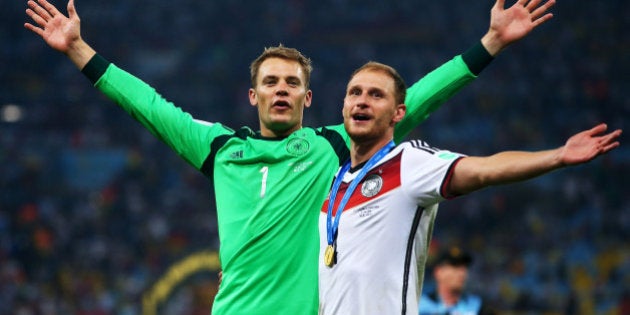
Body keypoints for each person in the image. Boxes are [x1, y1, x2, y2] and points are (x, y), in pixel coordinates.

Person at [24, 0, 555, 313]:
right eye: (271, 82)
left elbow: (412, 100)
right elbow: (147, 105)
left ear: (307, 98)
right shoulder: (219, 147)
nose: (282, 89)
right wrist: (77, 50)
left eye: (293, 83)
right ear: (252, 96)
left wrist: (488, 44)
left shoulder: (333, 144)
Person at [317, 61, 621, 314]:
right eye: (354, 92)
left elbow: (484, 170)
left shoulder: (408, 162)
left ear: (398, 113)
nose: (362, 100)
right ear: (343, 106)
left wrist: (557, 156)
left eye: (376, 95)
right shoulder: (328, 182)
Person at [419, 246, 495, 315]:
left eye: (465, 267)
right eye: (455, 266)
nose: (462, 273)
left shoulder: (478, 307)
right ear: (438, 272)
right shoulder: (420, 306)